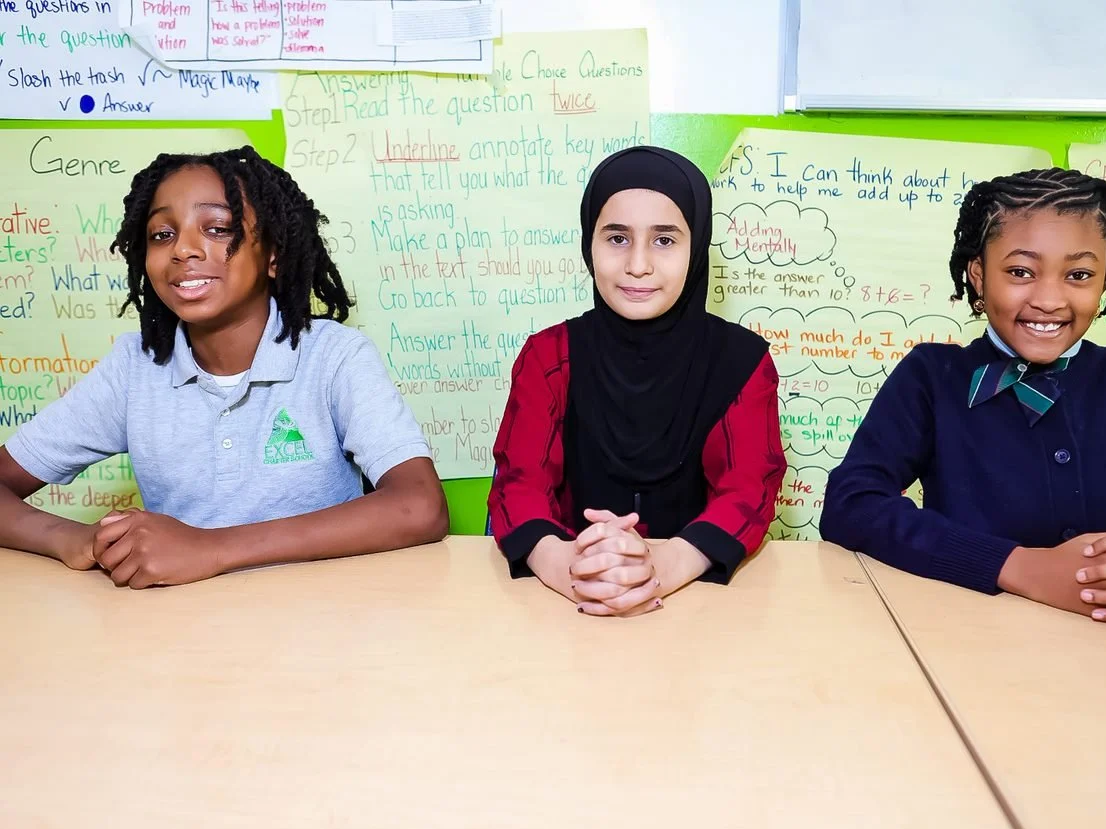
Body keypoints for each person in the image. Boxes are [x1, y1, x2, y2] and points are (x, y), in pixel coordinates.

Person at [0, 146, 448, 588]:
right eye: (162, 235)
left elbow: (421, 506)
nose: (184, 249)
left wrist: (212, 548)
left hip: (326, 623)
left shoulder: (334, 357)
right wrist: (72, 538)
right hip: (184, 630)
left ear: (273, 255)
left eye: (216, 228)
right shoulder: (134, 369)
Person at [820, 167, 1106, 622]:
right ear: (978, 276)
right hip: (974, 638)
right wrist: (1018, 567)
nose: (1049, 299)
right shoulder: (932, 377)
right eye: (1021, 271)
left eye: (1079, 274)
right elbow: (853, 503)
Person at [488, 146, 786, 617]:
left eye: (665, 240)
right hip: (563, 607)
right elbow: (519, 483)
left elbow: (749, 488)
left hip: (696, 607)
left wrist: (663, 565)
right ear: (589, 242)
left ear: (697, 246)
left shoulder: (742, 363)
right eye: (617, 238)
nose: (639, 265)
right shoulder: (547, 357)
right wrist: (569, 566)